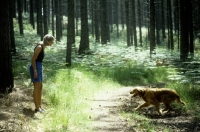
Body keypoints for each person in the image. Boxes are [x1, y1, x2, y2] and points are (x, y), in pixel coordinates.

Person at [29, 34, 54, 113]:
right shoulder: (40, 47)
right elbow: (33, 59)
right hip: (35, 66)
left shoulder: (43, 46)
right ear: (48, 41)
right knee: (37, 87)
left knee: (40, 87)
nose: (52, 43)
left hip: (39, 66)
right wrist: (35, 71)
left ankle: (39, 106)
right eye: (52, 42)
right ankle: (37, 108)